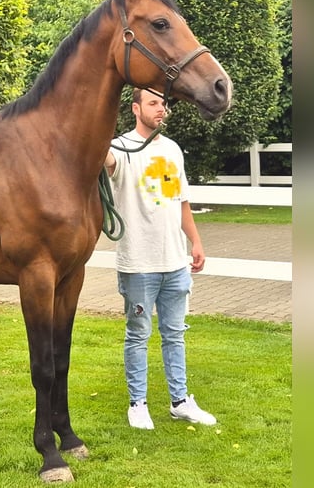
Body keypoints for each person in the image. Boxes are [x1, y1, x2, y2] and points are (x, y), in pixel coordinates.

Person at [104, 87, 217, 430]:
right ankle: (137, 404)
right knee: (138, 335)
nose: (161, 109)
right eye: (153, 103)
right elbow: (100, 157)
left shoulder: (171, 149)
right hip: (139, 265)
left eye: (163, 103)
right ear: (136, 109)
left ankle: (180, 401)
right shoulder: (119, 148)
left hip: (175, 262)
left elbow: (181, 200)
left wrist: (195, 242)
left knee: (175, 333)